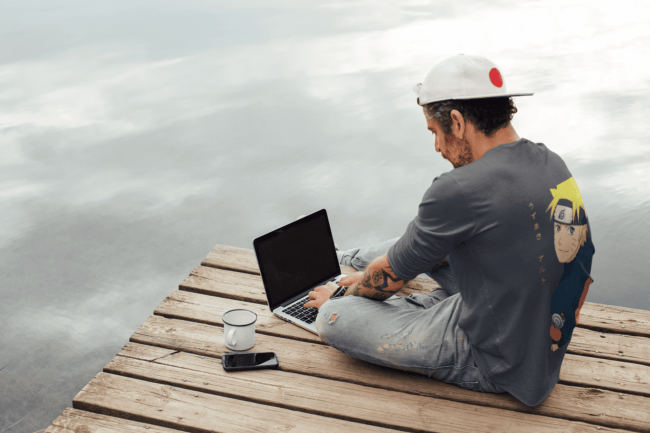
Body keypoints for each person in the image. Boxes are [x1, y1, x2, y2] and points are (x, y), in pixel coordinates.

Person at [304, 54, 595, 407]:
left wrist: (341, 298)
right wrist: (376, 273)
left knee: (336, 319)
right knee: (424, 244)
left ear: (456, 122)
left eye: (435, 133)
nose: (438, 148)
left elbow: (391, 277)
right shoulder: (550, 161)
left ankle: (355, 284)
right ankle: (349, 262)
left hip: (497, 361)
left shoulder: (459, 188)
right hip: (532, 326)